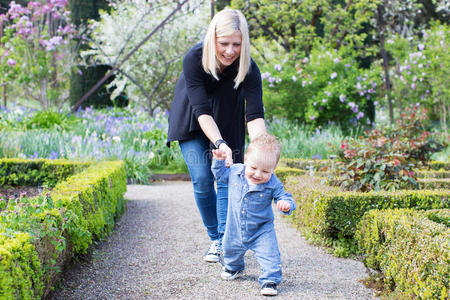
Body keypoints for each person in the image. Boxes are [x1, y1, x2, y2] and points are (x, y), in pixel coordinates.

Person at [167, 8, 266, 263]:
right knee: (201, 178)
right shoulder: (194, 58)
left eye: (236, 44)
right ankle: (215, 237)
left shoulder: (249, 69)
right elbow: (201, 109)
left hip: (228, 121)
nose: (230, 51)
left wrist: (262, 150)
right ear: (213, 38)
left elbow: (254, 116)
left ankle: (224, 243)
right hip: (192, 120)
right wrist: (218, 142)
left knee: (226, 180)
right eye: (224, 43)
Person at [211, 133, 296, 296]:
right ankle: (233, 267)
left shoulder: (273, 183)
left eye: (265, 171)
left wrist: (286, 205)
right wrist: (219, 161)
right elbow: (221, 176)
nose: (258, 174)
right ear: (245, 160)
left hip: (261, 230)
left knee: (270, 256)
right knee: (230, 251)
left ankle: (270, 280)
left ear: (273, 169)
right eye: (254, 168)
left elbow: (284, 196)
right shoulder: (235, 172)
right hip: (235, 227)